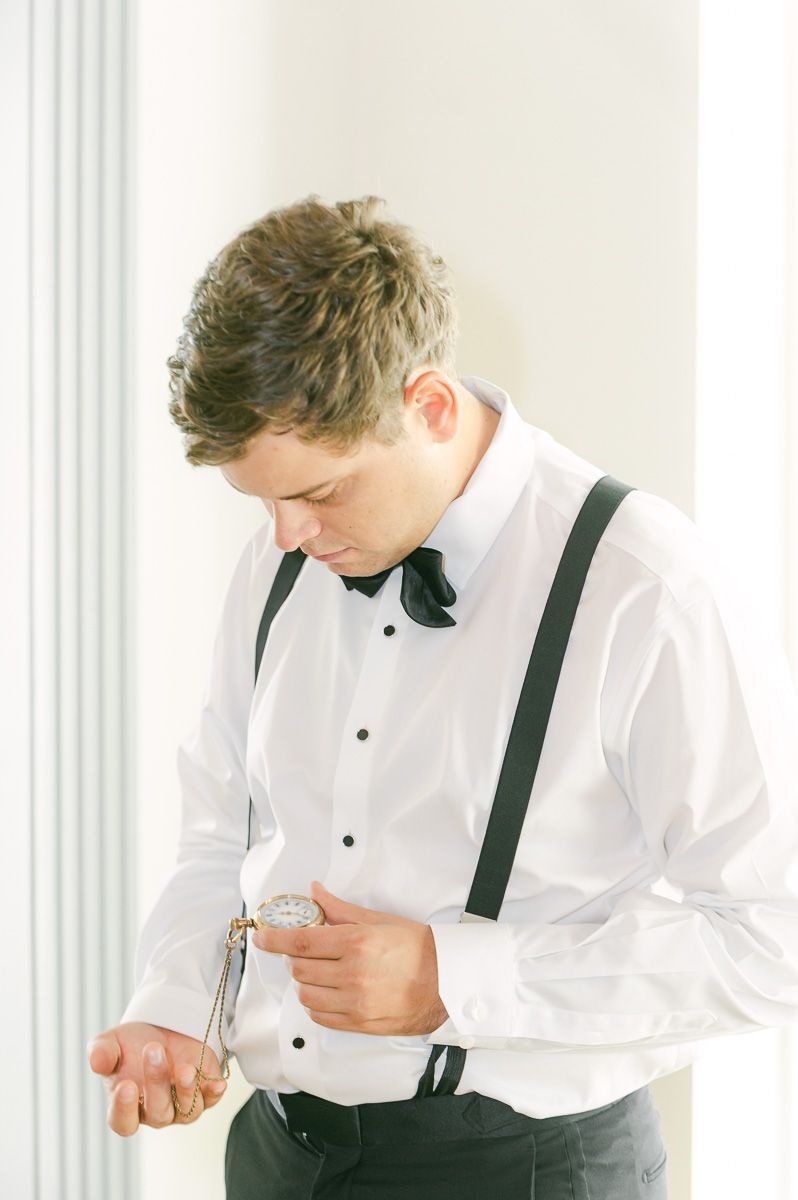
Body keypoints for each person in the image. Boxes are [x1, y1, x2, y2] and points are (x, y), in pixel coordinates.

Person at [87, 195, 798, 1199]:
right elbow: (223, 836)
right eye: (264, 501)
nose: (286, 535)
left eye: (321, 492)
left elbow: (775, 937)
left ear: (428, 404)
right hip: (277, 1157)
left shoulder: (646, 588)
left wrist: (455, 981)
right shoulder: (284, 557)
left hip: (522, 1170)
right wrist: (177, 1004)